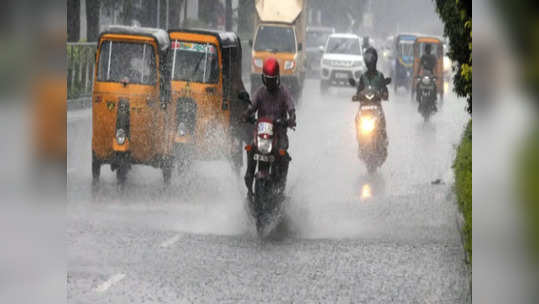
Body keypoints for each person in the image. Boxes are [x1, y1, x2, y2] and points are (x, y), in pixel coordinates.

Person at [242, 57, 296, 198]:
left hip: (279, 134)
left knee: (283, 155)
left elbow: (290, 106)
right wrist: (247, 114)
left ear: (277, 78)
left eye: (272, 79)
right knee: (250, 148)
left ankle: (280, 188)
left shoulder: (283, 92)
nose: (270, 82)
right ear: (263, 78)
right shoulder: (260, 92)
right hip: (262, 134)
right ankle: (249, 179)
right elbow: (252, 106)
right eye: (268, 79)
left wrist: (291, 118)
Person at [355, 47, 389, 150]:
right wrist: (357, 96)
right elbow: (359, 91)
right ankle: (360, 140)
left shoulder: (380, 76)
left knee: (382, 121)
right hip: (364, 107)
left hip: (376, 106)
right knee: (357, 119)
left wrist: (384, 94)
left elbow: (385, 90)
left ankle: (383, 141)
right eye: (367, 58)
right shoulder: (363, 77)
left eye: (371, 58)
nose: (369, 61)